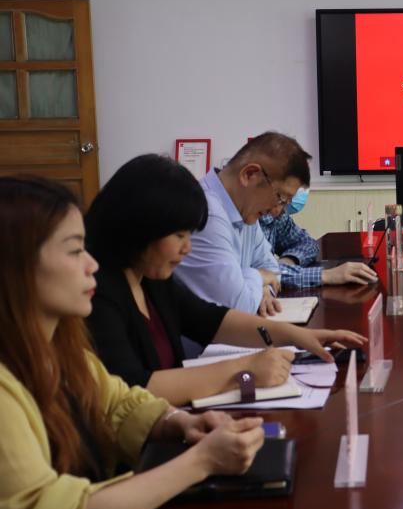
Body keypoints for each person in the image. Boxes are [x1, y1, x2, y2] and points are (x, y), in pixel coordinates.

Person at [0, 176, 266, 509]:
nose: (91, 264)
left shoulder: (61, 349)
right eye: (75, 251)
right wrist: (202, 461)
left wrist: (178, 422)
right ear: (14, 265)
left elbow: (117, 403)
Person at [85, 154, 366, 406]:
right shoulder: (97, 294)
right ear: (141, 227)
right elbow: (132, 388)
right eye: (179, 236)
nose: (187, 248)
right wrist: (244, 370)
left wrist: (297, 336)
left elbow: (211, 319)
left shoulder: (150, 279)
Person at [173, 132, 309, 316]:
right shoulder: (207, 214)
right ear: (249, 174)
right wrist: (258, 276)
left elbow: (272, 269)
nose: (276, 211)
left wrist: (263, 289)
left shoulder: (245, 211)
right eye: (280, 197)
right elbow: (239, 308)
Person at [259, 189, 377, 288]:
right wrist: (326, 275)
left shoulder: (277, 215)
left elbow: (307, 243)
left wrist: (290, 260)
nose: (288, 202)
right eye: (284, 199)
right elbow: (262, 275)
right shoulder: (252, 222)